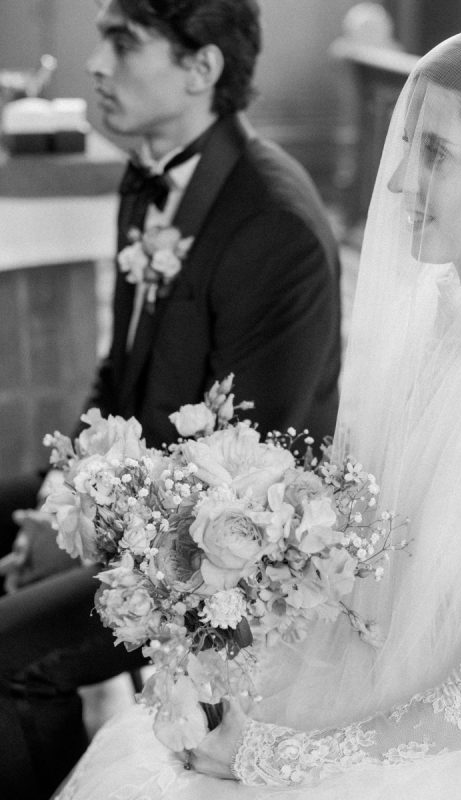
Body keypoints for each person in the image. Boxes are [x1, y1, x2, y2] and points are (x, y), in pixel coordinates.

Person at [55, 19, 461, 800]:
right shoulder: (436, 317)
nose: (399, 181)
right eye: (405, 147)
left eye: (435, 152)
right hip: (367, 664)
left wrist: (276, 757)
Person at [0, 0, 341, 797]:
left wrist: (80, 538)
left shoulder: (273, 226)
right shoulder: (148, 176)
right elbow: (117, 381)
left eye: (123, 42)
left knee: (11, 655)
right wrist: (60, 505)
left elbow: (240, 492)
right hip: (136, 497)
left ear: (201, 68)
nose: (96, 63)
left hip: (216, 559)